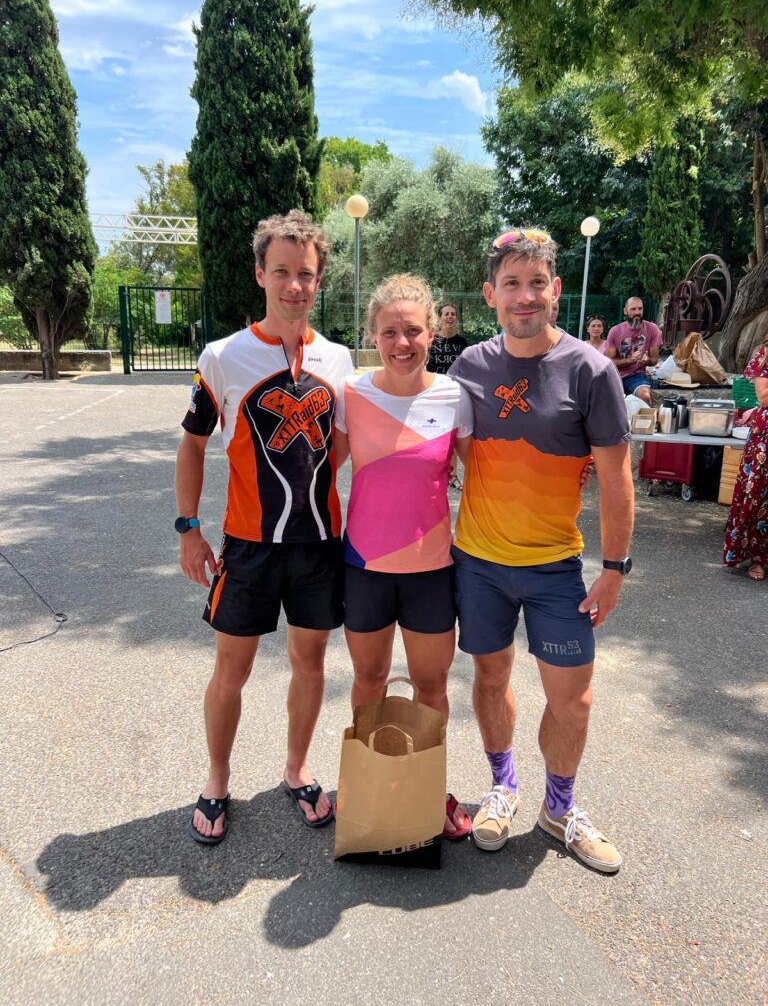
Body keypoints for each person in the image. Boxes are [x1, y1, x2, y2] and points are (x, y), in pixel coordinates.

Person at [448, 226, 634, 872]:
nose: (524, 296)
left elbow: (616, 477)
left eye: (536, 283)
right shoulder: (467, 369)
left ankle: (559, 809)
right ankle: (502, 788)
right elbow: (439, 454)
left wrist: (614, 569)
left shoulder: (592, 371)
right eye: (511, 284)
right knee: (490, 678)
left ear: (555, 290)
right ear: (490, 295)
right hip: (478, 563)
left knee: (572, 699)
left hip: (556, 567)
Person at [176, 210, 354, 844]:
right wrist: (189, 527)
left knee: (310, 662)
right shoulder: (223, 357)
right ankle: (217, 777)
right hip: (248, 546)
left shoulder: (339, 359)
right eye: (281, 272)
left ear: (318, 279)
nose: (294, 286)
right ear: (260, 275)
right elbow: (193, 444)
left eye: (305, 274)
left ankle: (297, 767)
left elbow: (339, 448)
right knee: (232, 670)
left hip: (318, 545)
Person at [334, 275, 474, 840]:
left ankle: (427, 790)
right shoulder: (350, 394)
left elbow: (486, 476)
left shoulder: (454, 395)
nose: (402, 343)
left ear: (431, 333)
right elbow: (316, 473)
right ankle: (369, 788)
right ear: (373, 334)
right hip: (364, 568)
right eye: (389, 332)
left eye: (412, 330)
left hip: (431, 572)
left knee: (431, 689)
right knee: (368, 680)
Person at [723, 345, 768, 581]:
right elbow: (764, 397)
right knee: (759, 497)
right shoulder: (764, 354)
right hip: (765, 437)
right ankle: (757, 558)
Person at [427, 301, 468, 489]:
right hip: (435, 394)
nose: (450, 317)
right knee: (436, 435)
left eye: (453, 314)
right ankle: (435, 474)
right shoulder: (432, 342)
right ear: (439, 318)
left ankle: (453, 476)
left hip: (454, 395)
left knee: (454, 436)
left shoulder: (462, 343)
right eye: (446, 314)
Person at [604, 297, 661, 405]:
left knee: (645, 397)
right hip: (615, 375)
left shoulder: (652, 329)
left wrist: (646, 361)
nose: (637, 312)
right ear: (625, 311)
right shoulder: (615, 331)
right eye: (633, 309)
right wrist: (630, 361)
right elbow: (607, 362)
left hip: (637, 375)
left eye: (640, 308)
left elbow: (654, 360)